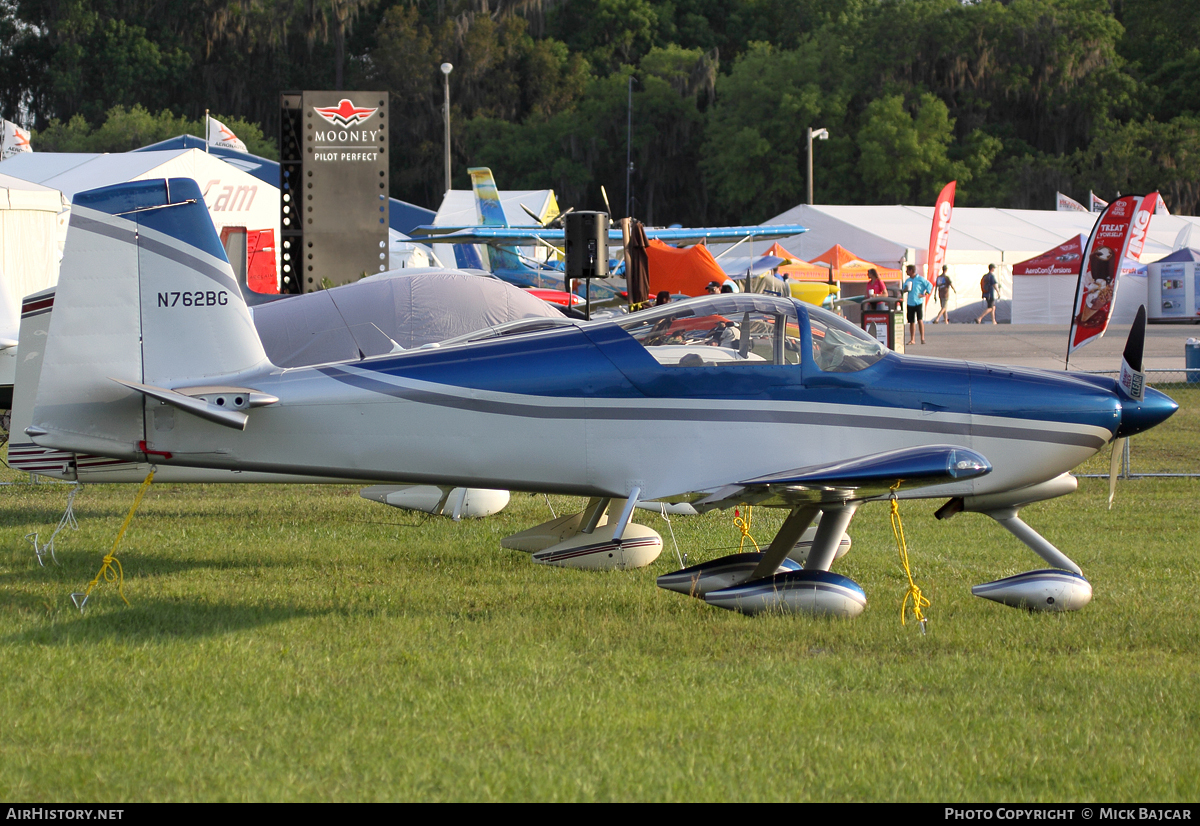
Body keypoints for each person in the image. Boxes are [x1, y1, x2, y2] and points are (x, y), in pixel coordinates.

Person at [902, 264, 932, 345]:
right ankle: (912, 339)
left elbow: (929, 285)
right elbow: (903, 289)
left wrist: (925, 294)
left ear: (911, 271)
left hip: (918, 301)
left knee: (920, 320)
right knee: (911, 321)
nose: (906, 272)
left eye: (907, 270)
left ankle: (922, 338)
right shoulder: (908, 280)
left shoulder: (920, 279)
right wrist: (905, 289)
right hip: (910, 302)